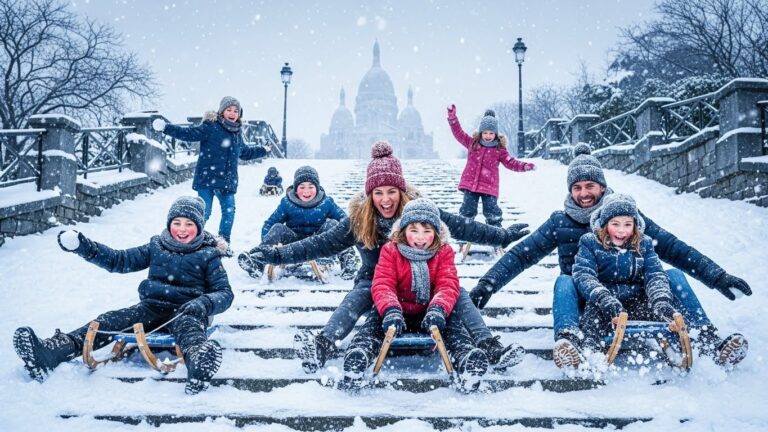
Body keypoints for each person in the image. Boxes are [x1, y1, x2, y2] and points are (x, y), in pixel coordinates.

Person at [247, 141, 529, 374]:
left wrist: (501, 236)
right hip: (377, 283)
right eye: (379, 193)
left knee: (458, 294)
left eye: (392, 192)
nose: (385, 199)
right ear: (370, 195)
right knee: (360, 294)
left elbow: (462, 226)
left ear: (401, 191)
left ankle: (488, 347)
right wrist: (277, 253)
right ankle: (324, 342)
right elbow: (319, 245)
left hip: (425, 285)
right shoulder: (359, 220)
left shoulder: (420, 213)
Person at [470, 143, 751, 368]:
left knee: (673, 275)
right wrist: (488, 283)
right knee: (564, 281)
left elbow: (672, 247)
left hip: (635, 295)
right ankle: (569, 342)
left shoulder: (626, 216)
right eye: (577, 187)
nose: (584, 193)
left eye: (590, 186)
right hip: (588, 298)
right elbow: (521, 255)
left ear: (602, 187)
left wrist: (717, 276)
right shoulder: (560, 221)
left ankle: (707, 339)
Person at [12, 196, 233, 394]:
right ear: (169, 224)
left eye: (189, 224)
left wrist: (203, 303)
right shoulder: (156, 246)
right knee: (108, 321)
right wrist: (84, 247)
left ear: (199, 227)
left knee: (190, 331)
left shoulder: (209, 255)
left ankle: (198, 364)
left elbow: (224, 293)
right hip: (151, 308)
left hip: (188, 310)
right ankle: (54, 351)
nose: (182, 229)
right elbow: (120, 260)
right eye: (177, 223)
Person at [343, 198, 489, 385]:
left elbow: (448, 283)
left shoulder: (443, 252)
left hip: (431, 311)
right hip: (395, 310)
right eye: (414, 231)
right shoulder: (391, 250)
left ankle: (466, 359)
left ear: (436, 233)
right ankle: (359, 355)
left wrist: (438, 308)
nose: (420, 237)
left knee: (454, 327)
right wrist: (390, 309)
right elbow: (383, 283)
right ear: (404, 231)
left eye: (427, 231)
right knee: (373, 324)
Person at [570, 193, 682, 364]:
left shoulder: (644, 244)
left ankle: (683, 343)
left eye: (628, 224)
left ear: (635, 226)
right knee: (592, 318)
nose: (622, 230)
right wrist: (603, 297)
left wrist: (661, 300)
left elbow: (655, 274)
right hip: (605, 301)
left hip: (636, 299)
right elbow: (584, 273)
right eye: (615, 224)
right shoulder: (590, 242)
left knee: (662, 311)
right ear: (605, 225)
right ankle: (589, 352)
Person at [153, 96, 270, 243]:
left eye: (236, 111)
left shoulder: (237, 133)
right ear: (222, 111)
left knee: (229, 213)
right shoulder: (210, 127)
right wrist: (166, 127)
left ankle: (223, 243)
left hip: (227, 182)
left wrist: (263, 150)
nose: (233, 113)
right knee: (203, 213)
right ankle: (191, 241)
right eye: (229, 110)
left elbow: (245, 153)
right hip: (207, 179)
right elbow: (189, 134)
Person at [238, 165, 358, 280]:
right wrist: (267, 243)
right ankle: (258, 261)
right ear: (296, 189)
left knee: (333, 224)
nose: (306, 191)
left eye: (311, 186)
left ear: (317, 187)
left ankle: (349, 261)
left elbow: (344, 220)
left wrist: (345, 241)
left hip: (320, 242)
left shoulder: (326, 202)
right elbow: (269, 223)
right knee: (277, 227)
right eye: (302, 187)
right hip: (294, 242)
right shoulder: (287, 203)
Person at [447, 104, 535, 227]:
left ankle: (495, 232)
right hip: (470, 185)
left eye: (491, 133)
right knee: (467, 210)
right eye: (485, 133)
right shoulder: (473, 143)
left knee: (492, 211)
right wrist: (453, 118)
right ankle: (464, 230)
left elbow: (510, 162)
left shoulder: (499, 149)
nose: (488, 136)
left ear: (496, 134)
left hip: (489, 186)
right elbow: (459, 133)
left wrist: (524, 166)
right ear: (481, 133)